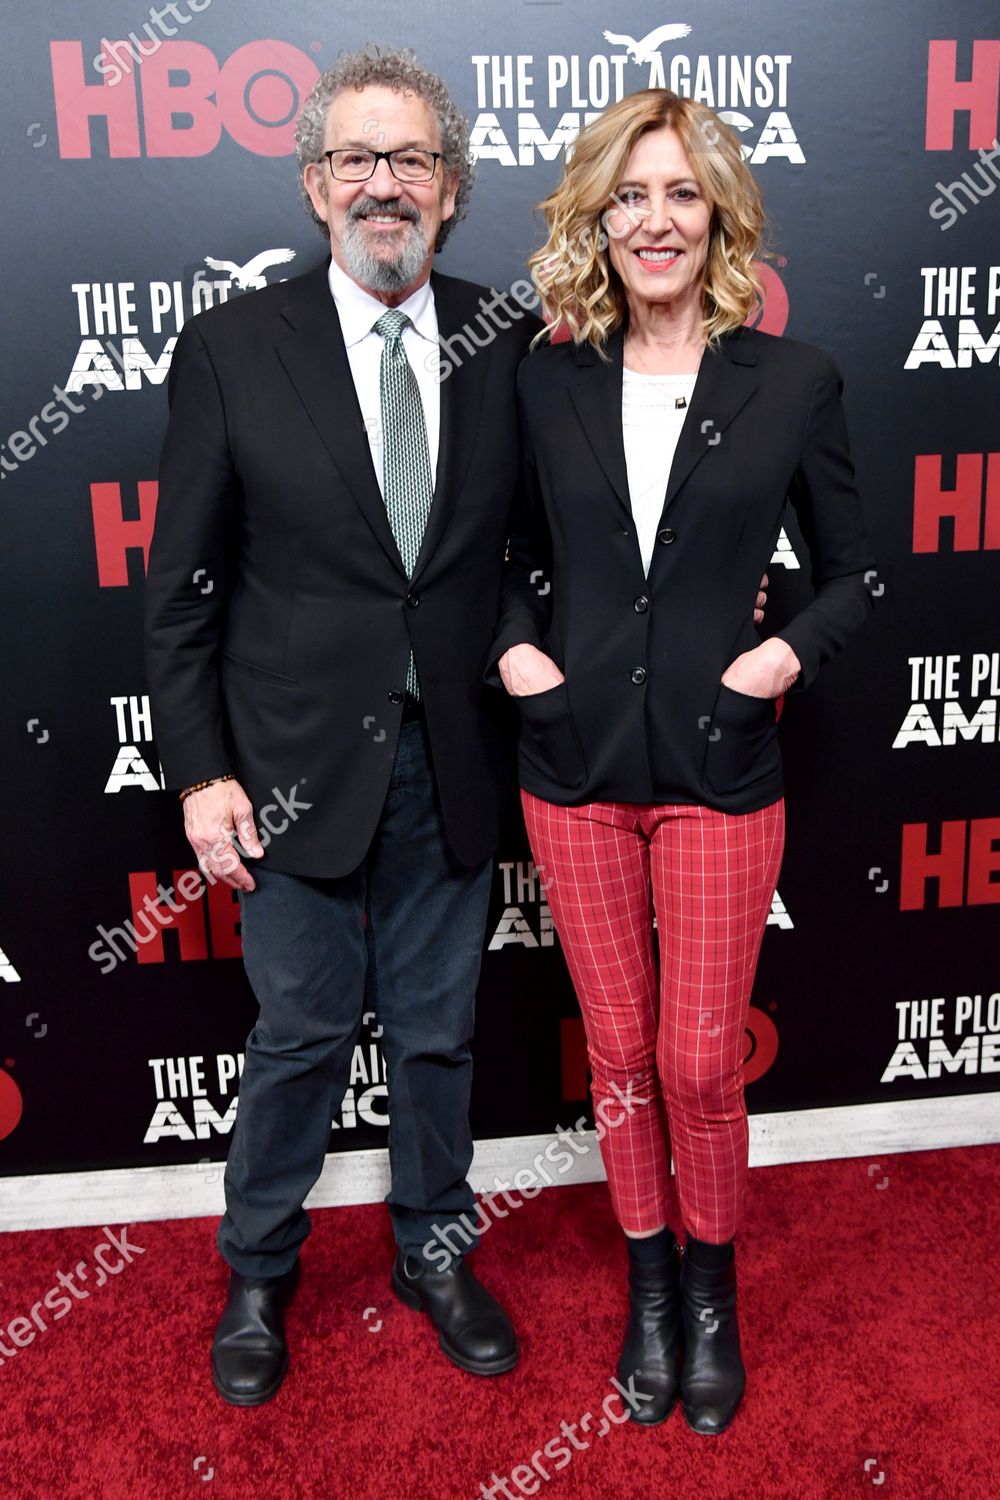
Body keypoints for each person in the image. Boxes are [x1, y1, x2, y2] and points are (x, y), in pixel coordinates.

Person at [144, 45, 539, 1406]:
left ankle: (436, 1249)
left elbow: (535, 552)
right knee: (301, 1038)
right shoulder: (231, 349)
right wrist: (200, 773)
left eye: (412, 159)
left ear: (451, 187)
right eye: (357, 159)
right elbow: (182, 590)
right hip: (290, 771)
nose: (386, 184)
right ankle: (259, 1268)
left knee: (437, 1035)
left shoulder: (509, 340)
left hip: (453, 762)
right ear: (315, 186)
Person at [490, 88, 876, 1435]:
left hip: (721, 773)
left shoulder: (795, 380)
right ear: (598, 217)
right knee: (616, 1055)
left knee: (700, 1063)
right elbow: (502, 555)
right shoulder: (544, 377)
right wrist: (517, 654)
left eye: (681, 193)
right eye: (630, 195)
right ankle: (649, 1287)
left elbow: (855, 576)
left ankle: (711, 1295)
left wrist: (776, 661)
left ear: (718, 215)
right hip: (573, 772)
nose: (655, 220)